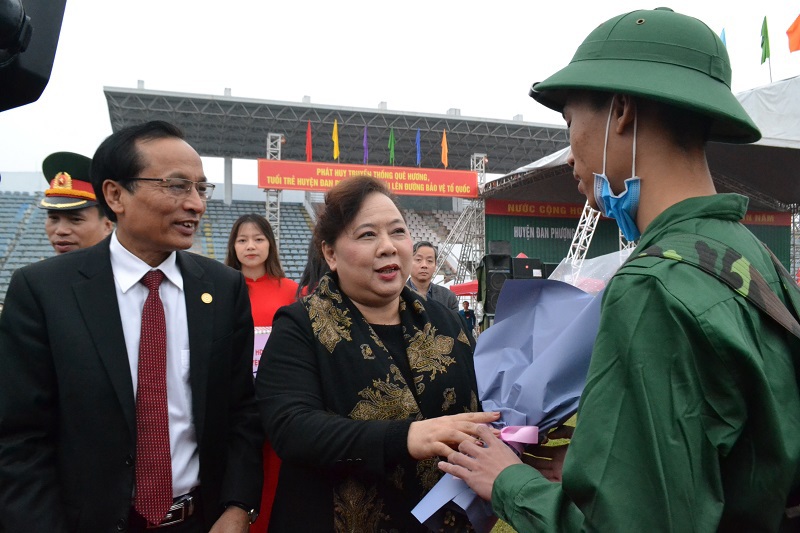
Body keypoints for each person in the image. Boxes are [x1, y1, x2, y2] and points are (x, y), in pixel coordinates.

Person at [439, 8, 800, 532]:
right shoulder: (753, 257)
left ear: (622, 111)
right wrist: (598, 470)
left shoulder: (652, 287)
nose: (568, 155)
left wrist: (510, 484)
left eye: (570, 123)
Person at [0, 120, 263, 532]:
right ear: (115, 195)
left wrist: (237, 507)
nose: (196, 204)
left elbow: (241, 412)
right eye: (177, 186)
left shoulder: (223, 288)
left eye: (201, 188)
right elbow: (19, 439)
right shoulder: (42, 291)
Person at [255, 176, 498, 532]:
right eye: (368, 235)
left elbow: (484, 403)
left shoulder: (446, 322)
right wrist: (405, 438)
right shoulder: (300, 326)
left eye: (398, 232)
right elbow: (293, 429)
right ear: (330, 253)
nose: (388, 247)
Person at [225, 213, 298, 533]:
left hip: (278, 399)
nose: (250, 246)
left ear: (270, 243)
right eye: (242, 240)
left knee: (277, 471)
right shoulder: (221, 289)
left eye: (258, 239)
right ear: (233, 246)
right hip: (235, 400)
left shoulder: (292, 291)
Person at [39, 151, 113, 254]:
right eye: (54, 218)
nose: (61, 230)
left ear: (107, 226)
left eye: (76, 219)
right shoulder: (37, 270)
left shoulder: (125, 270)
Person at [407, 240, 459, 312]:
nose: (424, 265)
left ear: (435, 266)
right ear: (409, 263)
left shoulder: (448, 298)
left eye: (430, 261)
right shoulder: (396, 296)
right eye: (418, 260)